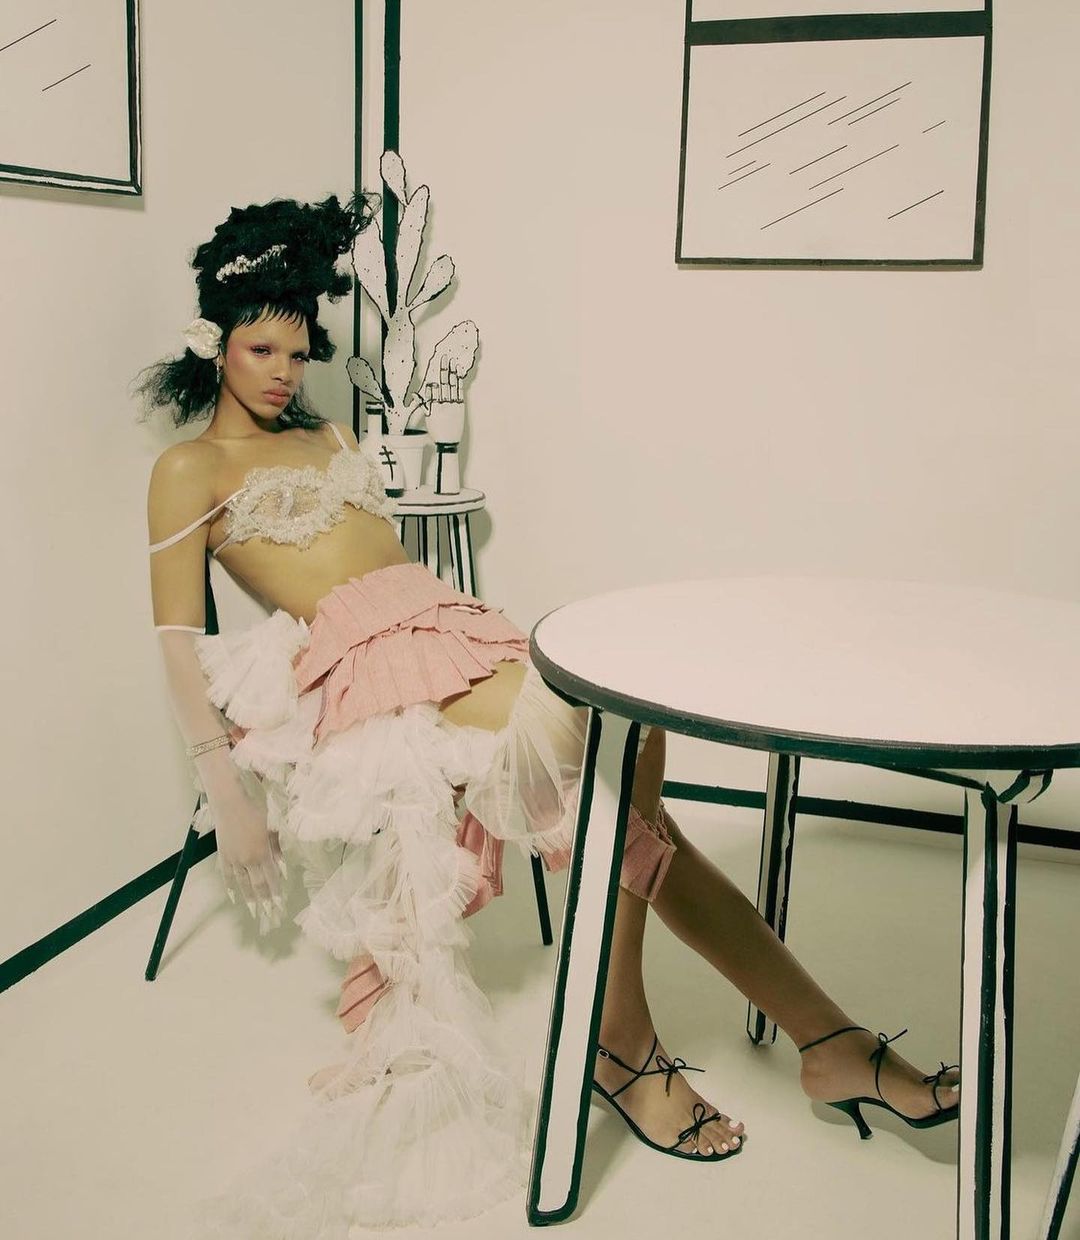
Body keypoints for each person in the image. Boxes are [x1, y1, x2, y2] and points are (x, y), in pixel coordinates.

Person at [142, 195, 960, 1236]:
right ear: (214, 342)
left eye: (299, 353)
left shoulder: (328, 430)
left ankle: (773, 1042)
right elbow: (176, 639)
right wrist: (224, 787)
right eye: (262, 350)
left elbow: (389, 555)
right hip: (372, 669)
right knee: (631, 734)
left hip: (456, 627)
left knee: (632, 769)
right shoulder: (189, 469)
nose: (283, 373)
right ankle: (699, 1044)